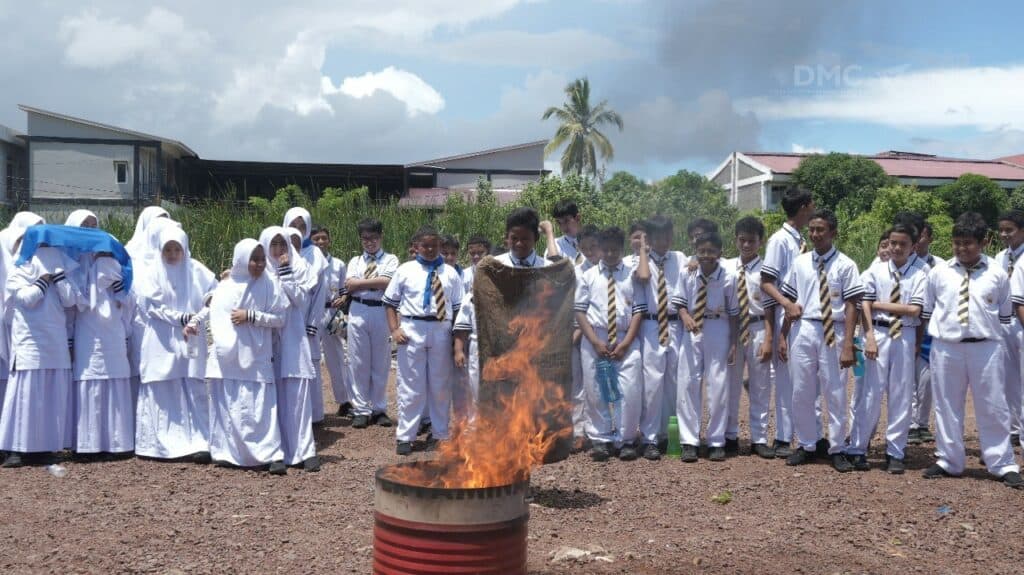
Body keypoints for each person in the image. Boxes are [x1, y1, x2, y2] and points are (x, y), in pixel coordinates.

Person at [920, 212, 1023, 489]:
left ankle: (1002, 463)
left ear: (983, 242)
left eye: (968, 243)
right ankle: (949, 460)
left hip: (986, 347)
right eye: (957, 243)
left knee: (993, 405)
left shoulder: (998, 274)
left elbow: (1004, 315)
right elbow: (929, 309)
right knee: (946, 404)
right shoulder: (939, 272)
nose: (962, 248)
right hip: (946, 346)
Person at [776, 209, 863, 472]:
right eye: (812, 229)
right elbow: (790, 300)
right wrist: (782, 335)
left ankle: (837, 447)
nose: (814, 234)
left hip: (833, 330)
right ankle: (807, 444)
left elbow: (852, 306)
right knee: (802, 390)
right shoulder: (800, 263)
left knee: (835, 391)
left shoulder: (846, 265)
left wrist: (848, 343)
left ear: (833, 232)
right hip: (804, 329)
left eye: (820, 230)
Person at [197, 239, 288, 474]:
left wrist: (252, 315)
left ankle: (270, 454)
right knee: (229, 405)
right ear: (240, 260)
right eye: (253, 259)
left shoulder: (269, 285)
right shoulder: (225, 287)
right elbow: (215, 318)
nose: (258, 264)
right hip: (228, 358)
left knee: (260, 407)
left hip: (256, 355)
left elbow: (280, 318)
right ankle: (228, 452)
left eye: (261, 259)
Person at [847, 223, 927, 474]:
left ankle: (895, 451)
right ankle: (858, 448)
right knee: (869, 393)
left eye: (903, 244)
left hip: (904, 334)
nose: (896, 248)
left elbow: (915, 310)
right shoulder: (876, 270)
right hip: (878, 333)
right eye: (893, 243)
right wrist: (869, 337)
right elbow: (864, 306)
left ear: (913, 246)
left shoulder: (921, 273)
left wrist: (878, 303)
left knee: (901, 396)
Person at [134, 226, 216, 463]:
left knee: (193, 384)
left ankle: (199, 442)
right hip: (161, 338)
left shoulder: (196, 270)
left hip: (190, 336)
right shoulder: (151, 273)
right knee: (163, 385)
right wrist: (181, 317)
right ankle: (160, 445)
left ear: (184, 249)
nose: (172, 254)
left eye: (176, 249)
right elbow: (150, 307)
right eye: (167, 249)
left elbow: (214, 294)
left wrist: (200, 313)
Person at [383, 226, 464, 456]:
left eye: (434, 245)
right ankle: (406, 436)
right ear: (416, 247)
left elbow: (458, 309)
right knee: (411, 385)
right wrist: (394, 329)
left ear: (440, 246)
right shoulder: (405, 270)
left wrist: (456, 339)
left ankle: (439, 434)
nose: (430, 250)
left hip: (441, 328)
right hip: (412, 328)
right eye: (425, 245)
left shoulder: (450, 273)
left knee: (440, 385)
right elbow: (389, 302)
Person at [0, 241, 80, 467]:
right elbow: (27, 299)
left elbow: (70, 300)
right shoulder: (18, 272)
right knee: (26, 395)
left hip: (55, 342)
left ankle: (44, 447)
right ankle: (17, 449)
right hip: (29, 343)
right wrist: (43, 280)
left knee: (50, 396)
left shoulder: (60, 276)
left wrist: (59, 278)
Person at [575, 227, 645, 462]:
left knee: (630, 389)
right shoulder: (589, 276)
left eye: (616, 249)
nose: (611, 253)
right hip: (596, 337)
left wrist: (626, 343)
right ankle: (602, 438)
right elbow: (580, 312)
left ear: (622, 249)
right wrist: (594, 341)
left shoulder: (631, 275)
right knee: (595, 390)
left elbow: (638, 311)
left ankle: (625, 440)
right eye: (606, 249)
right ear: (599, 250)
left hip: (626, 337)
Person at [759, 186, 815, 458]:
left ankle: (806, 436)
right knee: (785, 380)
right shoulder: (780, 240)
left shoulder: (800, 239)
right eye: (811, 204)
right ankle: (783, 437)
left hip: (806, 318)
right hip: (789, 315)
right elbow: (766, 282)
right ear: (804, 206)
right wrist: (786, 305)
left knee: (805, 379)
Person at [674, 231, 738, 462]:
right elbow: (679, 302)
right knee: (688, 383)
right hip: (692, 330)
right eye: (702, 252)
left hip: (717, 327)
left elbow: (734, 312)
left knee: (718, 385)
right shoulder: (687, 274)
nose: (706, 256)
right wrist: (684, 316)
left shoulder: (729, 277)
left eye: (711, 251)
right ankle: (689, 441)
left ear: (720, 253)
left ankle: (716, 440)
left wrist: (732, 342)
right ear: (696, 252)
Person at [260, 227, 320, 472]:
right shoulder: (259, 270)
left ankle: (305, 450)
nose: (278, 251)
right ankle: (276, 452)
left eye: (282, 245)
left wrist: (285, 272)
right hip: (267, 341)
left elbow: (300, 300)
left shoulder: (299, 267)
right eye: (273, 245)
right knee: (270, 399)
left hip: (294, 339)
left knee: (297, 397)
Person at [632, 216, 686, 460]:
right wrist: (644, 249)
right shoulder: (638, 261)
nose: (663, 241)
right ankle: (650, 437)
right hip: (651, 325)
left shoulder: (681, 258)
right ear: (649, 239)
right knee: (652, 384)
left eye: (667, 236)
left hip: (676, 324)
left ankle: (670, 435)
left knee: (674, 383)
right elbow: (643, 277)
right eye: (657, 237)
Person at [725, 216, 774, 458]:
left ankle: (759, 438)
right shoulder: (726, 267)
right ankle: (730, 435)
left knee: (760, 385)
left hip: (757, 328)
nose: (746, 245)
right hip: (733, 330)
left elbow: (770, 309)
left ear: (760, 242)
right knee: (731, 384)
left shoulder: (766, 271)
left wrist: (769, 339)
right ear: (735, 240)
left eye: (751, 241)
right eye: (742, 240)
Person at [345, 219, 399, 429]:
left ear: (380, 237)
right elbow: (349, 286)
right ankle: (360, 409)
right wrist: (372, 283)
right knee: (358, 362)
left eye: (374, 238)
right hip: (358, 310)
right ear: (361, 239)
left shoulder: (390, 259)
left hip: (380, 311)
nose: (370, 242)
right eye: (366, 239)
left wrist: (360, 284)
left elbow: (388, 283)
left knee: (381, 361)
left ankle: (378, 408)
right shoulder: (355, 261)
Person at [283, 207, 329, 424]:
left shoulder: (314, 254)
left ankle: (313, 415)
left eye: (303, 227)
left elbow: (319, 293)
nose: (298, 231)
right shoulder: (277, 250)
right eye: (294, 226)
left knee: (309, 364)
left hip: (306, 317)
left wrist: (313, 324)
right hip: (282, 320)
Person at [311, 226, 353, 417]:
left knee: (336, 357)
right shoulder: (306, 262)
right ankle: (311, 403)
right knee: (310, 358)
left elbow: (345, 290)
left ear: (329, 240)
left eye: (323, 238)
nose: (320, 242)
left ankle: (344, 400)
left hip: (332, 311)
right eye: (316, 239)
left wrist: (343, 299)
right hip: (311, 313)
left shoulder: (338, 264)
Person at [570, 224, 602, 450]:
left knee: (603, 385)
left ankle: (604, 429)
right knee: (580, 385)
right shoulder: (576, 270)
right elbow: (576, 306)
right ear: (578, 248)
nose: (590, 251)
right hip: (578, 331)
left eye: (594, 246)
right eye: (585, 247)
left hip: (601, 332)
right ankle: (579, 431)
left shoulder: (612, 268)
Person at [995, 209, 1024, 445]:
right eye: (1002, 230)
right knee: (1007, 381)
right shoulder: (999, 258)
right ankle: (1014, 429)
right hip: (1003, 323)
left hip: (1021, 324)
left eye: (1010, 230)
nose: (1004, 235)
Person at [551, 199, 584, 264]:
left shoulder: (594, 241)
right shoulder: (555, 245)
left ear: (578, 218)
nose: (563, 227)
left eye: (566, 221)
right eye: (559, 222)